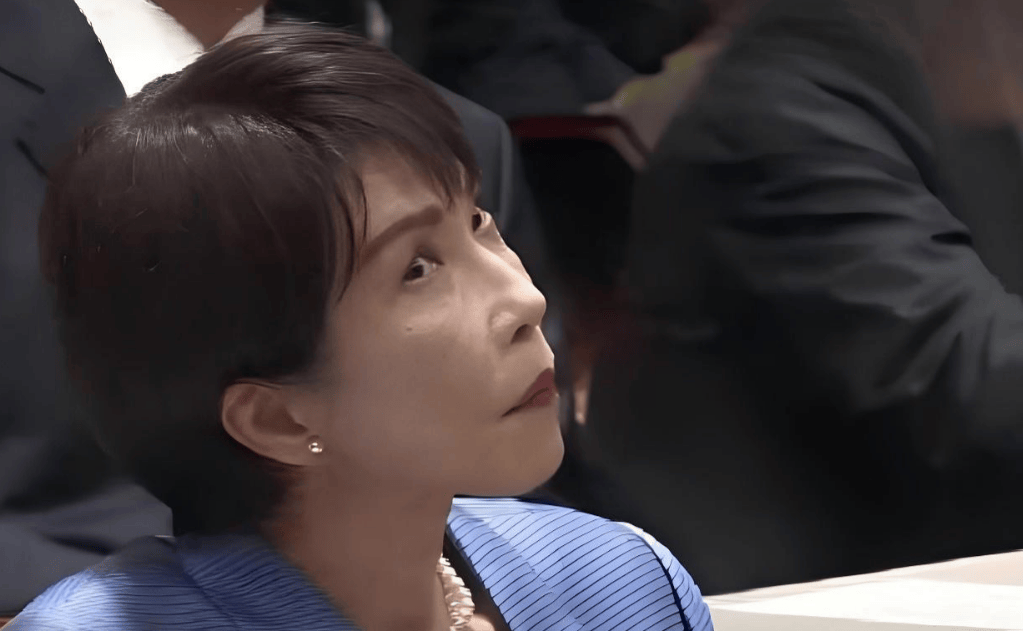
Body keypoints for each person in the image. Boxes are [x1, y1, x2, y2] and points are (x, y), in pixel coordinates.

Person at [4, 25, 713, 631]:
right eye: (417, 269)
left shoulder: (624, 580)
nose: (523, 299)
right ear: (277, 417)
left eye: (476, 221)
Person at [578, 0, 1023, 593]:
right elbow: (969, 386)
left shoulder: (966, 84)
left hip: (953, 555)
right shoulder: (779, 111)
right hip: (809, 587)